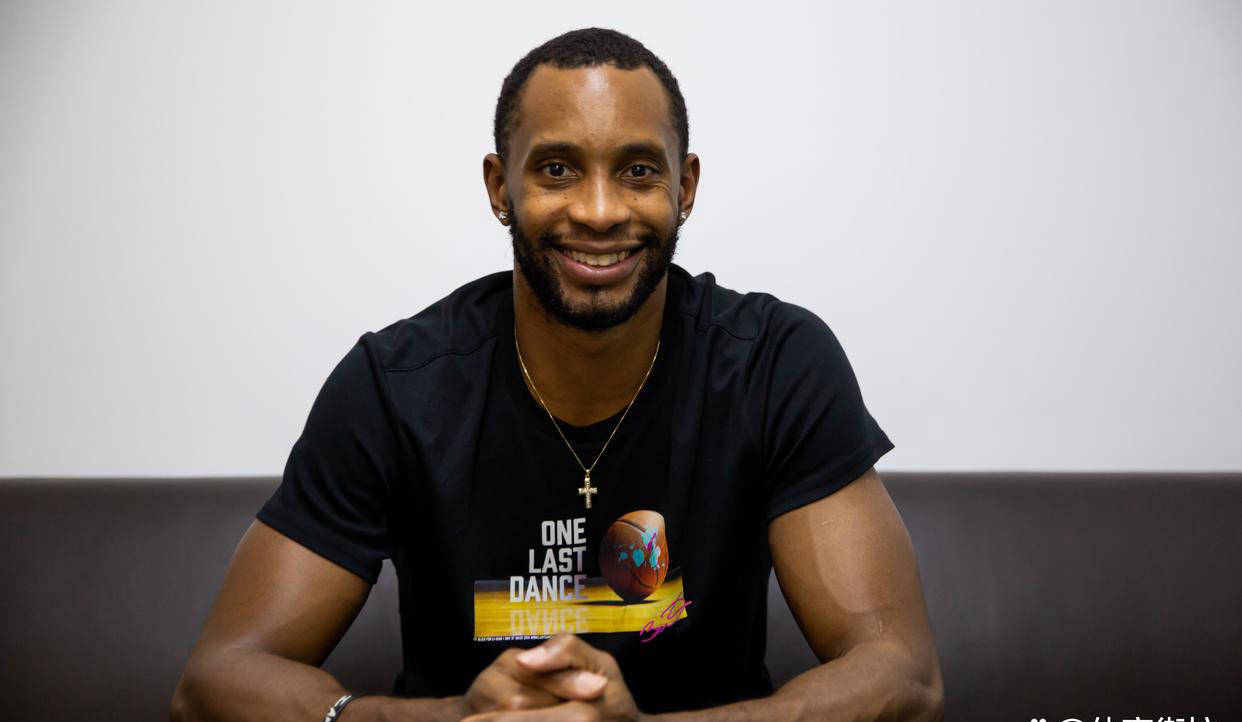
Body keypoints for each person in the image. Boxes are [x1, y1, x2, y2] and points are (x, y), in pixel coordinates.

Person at [171, 27, 943, 722]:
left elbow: (901, 677)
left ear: (685, 187)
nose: (600, 211)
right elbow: (215, 682)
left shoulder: (775, 365)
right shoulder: (395, 386)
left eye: (637, 170)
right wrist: (454, 721)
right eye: (557, 169)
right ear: (500, 187)